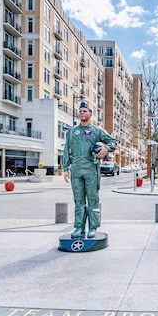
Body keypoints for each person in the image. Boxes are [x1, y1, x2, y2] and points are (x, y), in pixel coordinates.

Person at [63, 101, 117, 238]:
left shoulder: (97, 131)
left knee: (93, 199)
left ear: (90, 114)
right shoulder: (72, 132)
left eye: (85, 111)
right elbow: (66, 150)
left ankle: (93, 227)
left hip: (91, 170)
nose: (82, 113)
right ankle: (78, 228)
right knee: (79, 201)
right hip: (76, 170)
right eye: (80, 111)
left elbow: (113, 141)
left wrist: (106, 148)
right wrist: (65, 168)